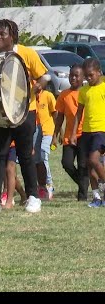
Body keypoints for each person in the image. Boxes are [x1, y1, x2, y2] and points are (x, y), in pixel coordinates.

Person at [0, 19, 48, 215]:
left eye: (3, 34)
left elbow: (44, 75)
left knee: (26, 156)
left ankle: (33, 197)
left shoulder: (26, 53)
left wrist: (39, 84)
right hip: (0, 113)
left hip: (24, 111)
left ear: (13, 36)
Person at [70, 58, 105, 207]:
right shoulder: (84, 91)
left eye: (91, 75)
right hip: (86, 132)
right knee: (88, 166)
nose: (89, 78)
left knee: (94, 160)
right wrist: (73, 133)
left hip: (101, 131)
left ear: (99, 72)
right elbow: (78, 114)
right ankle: (97, 197)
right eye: (87, 76)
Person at [52, 64, 88, 201]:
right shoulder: (64, 95)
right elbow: (60, 116)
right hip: (69, 136)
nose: (73, 78)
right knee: (66, 163)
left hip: (84, 134)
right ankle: (83, 183)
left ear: (83, 77)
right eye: (71, 75)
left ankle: (82, 196)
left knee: (83, 164)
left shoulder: (85, 92)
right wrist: (55, 134)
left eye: (76, 75)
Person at [34, 88, 56, 199]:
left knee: (43, 154)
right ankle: (40, 185)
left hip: (48, 131)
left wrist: (57, 134)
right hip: (36, 132)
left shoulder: (48, 95)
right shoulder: (31, 97)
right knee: (37, 158)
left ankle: (49, 184)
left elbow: (55, 113)